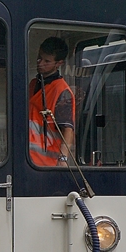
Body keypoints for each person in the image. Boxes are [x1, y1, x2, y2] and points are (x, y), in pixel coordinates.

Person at [29, 36, 75, 166]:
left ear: (59, 63)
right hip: (29, 159)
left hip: (47, 162)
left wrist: (63, 159)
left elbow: (68, 129)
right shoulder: (33, 84)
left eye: (47, 61)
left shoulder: (62, 91)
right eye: (39, 58)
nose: (40, 63)